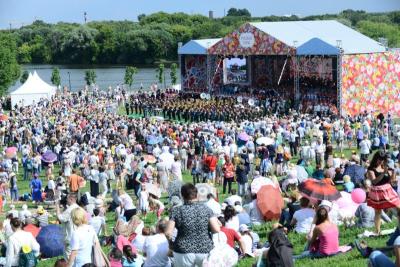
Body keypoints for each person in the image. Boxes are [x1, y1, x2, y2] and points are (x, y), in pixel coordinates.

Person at [165, 183, 220, 267]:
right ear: (197, 195)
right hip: (205, 249)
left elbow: (168, 233)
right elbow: (216, 229)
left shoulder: (176, 211)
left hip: (183, 250)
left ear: (182, 196)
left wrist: (171, 244)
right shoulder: (207, 209)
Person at [366, 150, 400, 234]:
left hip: (388, 190)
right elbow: (374, 182)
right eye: (379, 159)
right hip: (378, 191)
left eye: (382, 159)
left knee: (399, 208)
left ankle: (399, 228)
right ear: (375, 158)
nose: (380, 161)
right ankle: (377, 231)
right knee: (378, 212)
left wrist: (393, 173)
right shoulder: (371, 169)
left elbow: (391, 181)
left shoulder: (385, 166)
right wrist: (383, 173)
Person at [56, 193, 80, 260]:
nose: (66, 200)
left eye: (67, 199)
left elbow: (60, 218)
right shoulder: (78, 208)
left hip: (70, 237)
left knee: (69, 257)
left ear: (71, 199)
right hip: (78, 235)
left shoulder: (70, 210)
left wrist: (57, 206)